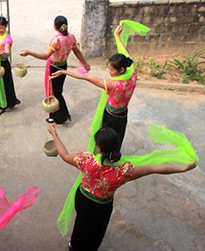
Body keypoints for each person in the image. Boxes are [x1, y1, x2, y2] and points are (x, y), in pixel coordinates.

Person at [47, 124, 197, 251]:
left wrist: (54, 134)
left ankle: (74, 246)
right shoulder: (124, 171)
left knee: (81, 223)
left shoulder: (85, 160)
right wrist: (182, 168)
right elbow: (154, 168)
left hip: (83, 199)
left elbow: (64, 155)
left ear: (98, 148)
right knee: (96, 230)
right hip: (102, 206)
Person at [50, 53, 135, 150]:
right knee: (118, 136)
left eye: (111, 69)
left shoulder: (113, 84)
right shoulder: (133, 77)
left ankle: (104, 157)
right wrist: (118, 38)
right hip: (123, 114)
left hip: (111, 116)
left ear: (122, 70)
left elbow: (86, 77)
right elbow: (128, 58)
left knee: (105, 139)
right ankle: (114, 156)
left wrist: (64, 72)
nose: (109, 71)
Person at [19, 15, 90, 124]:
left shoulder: (56, 40)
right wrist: (85, 63)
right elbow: (77, 52)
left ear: (55, 27)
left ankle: (61, 116)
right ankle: (58, 114)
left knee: (55, 93)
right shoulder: (72, 37)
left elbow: (45, 56)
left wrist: (29, 52)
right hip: (63, 67)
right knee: (57, 91)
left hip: (54, 68)